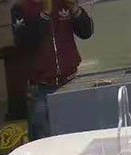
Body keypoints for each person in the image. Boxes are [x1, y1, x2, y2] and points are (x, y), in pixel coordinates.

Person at [11, 0, 93, 140]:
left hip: (70, 83)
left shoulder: (64, 3)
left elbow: (86, 32)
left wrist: (75, 9)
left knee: (78, 135)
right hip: (41, 87)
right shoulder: (21, 8)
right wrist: (44, 14)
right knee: (44, 140)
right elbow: (23, 43)